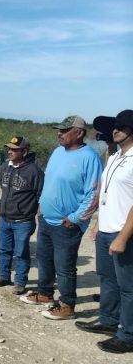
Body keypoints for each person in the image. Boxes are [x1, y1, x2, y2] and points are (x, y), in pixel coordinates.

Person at [20, 115, 103, 320]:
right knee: (44, 259)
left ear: (79, 133)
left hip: (68, 224)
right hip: (46, 218)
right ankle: (45, 293)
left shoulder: (89, 157)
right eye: (59, 130)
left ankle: (67, 305)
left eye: (65, 130)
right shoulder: (58, 152)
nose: (60, 133)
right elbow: (50, 180)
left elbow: (94, 193)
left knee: (64, 266)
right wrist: (41, 204)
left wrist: (76, 218)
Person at [75, 109, 133, 354]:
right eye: (114, 126)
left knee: (128, 287)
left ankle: (128, 335)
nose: (115, 130)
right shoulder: (116, 155)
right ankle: (108, 320)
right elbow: (108, 193)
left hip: (124, 233)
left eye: (121, 127)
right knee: (107, 278)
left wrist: (123, 237)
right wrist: (99, 222)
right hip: (107, 228)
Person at [0, 136, 44, 295]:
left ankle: (20, 282)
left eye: (14, 149)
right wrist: (1, 205)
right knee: (4, 249)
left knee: (21, 252)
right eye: (9, 149)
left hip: (23, 221)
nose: (10, 152)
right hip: (4, 218)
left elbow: (41, 195)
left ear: (24, 152)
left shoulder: (34, 171)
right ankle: (3, 276)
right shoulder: (5, 167)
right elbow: (3, 187)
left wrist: (35, 213)